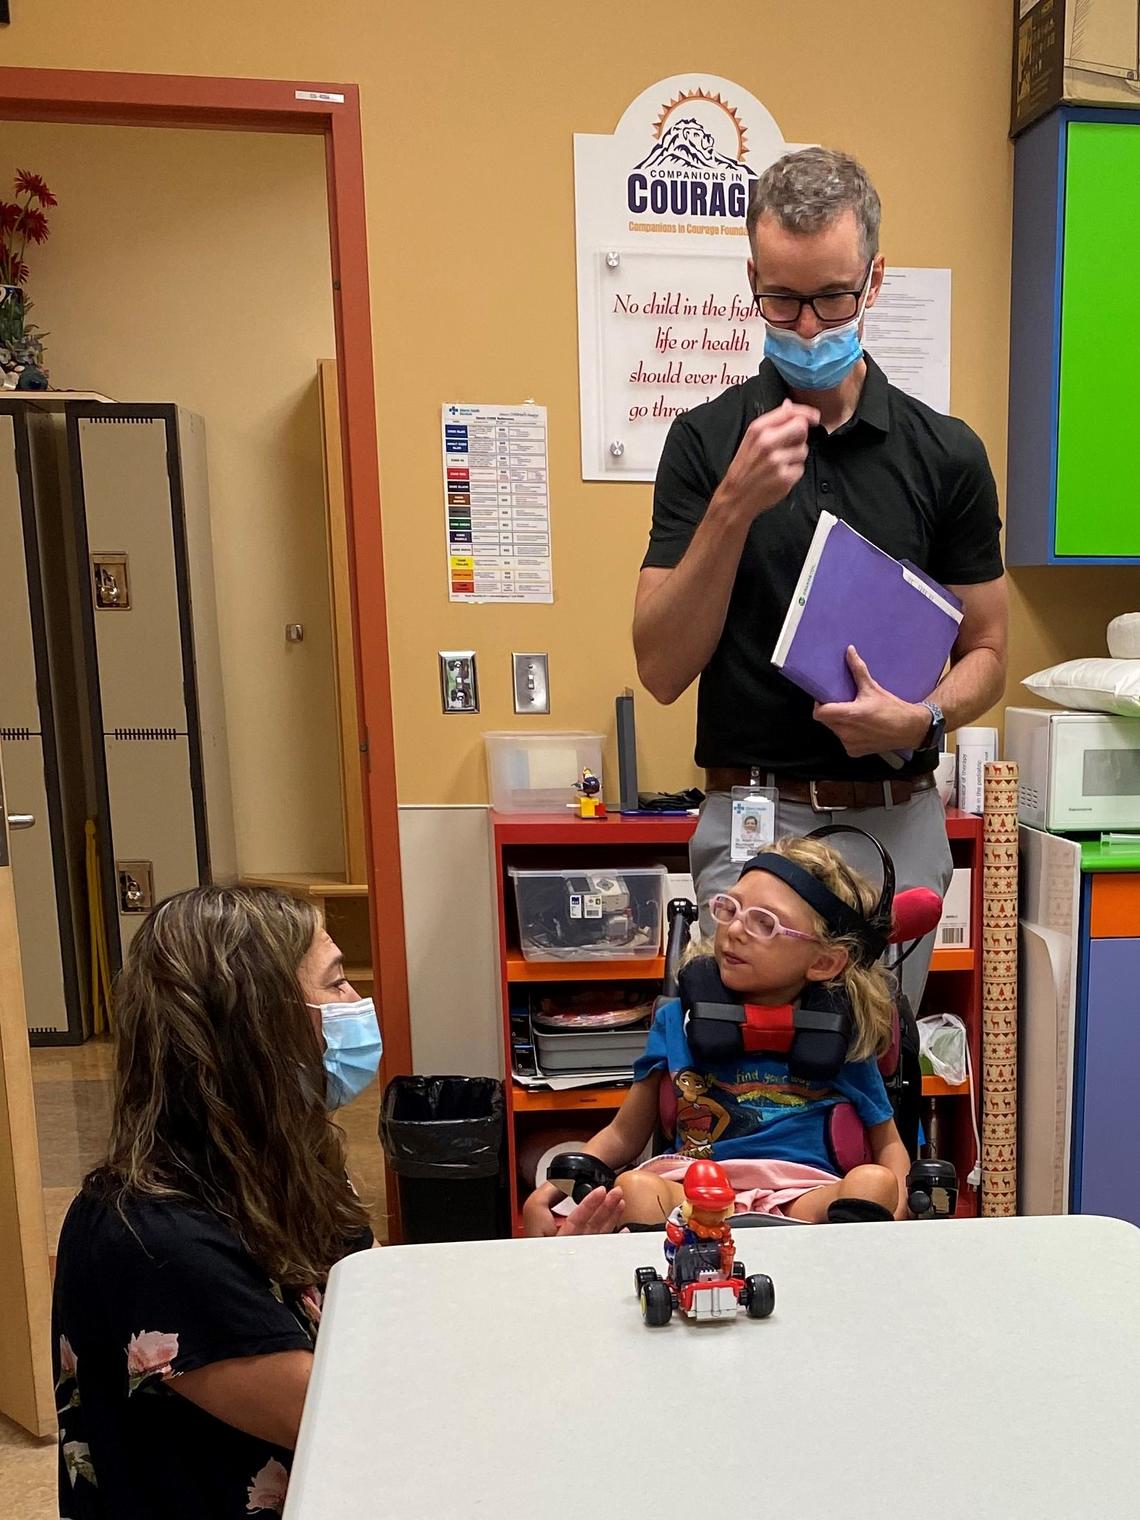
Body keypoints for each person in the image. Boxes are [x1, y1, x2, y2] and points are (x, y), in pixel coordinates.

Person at [632, 146, 1007, 1007]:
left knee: (871, 1080)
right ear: (752, 279)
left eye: (831, 297)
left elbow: (987, 648)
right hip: (753, 825)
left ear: (874, 280)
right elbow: (659, 669)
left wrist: (921, 715)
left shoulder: (946, 455)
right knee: (747, 1083)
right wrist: (731, 506)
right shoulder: (703, 442)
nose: (806, 327)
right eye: (782, 299)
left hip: (895, 822)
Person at [51, 884, 383, 1520]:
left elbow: (384, 1307)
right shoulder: (152, 1234)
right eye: (336, 983)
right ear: (258, 1025)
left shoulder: (289, 1167)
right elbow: (356, 1421)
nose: (357, 1004)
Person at [523, 835, 909, 1235]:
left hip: (802, 1194)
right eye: (732, 908)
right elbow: (624, 1134)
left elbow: (889, 1146)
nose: (736, 929)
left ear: (825, 961)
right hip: (693, 1190)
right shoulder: (676, 1021)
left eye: (765, 922)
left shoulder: (846, 1034)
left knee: (873, 1183)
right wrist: (552, 1191)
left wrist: (898, 1221)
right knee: (634, 1187)